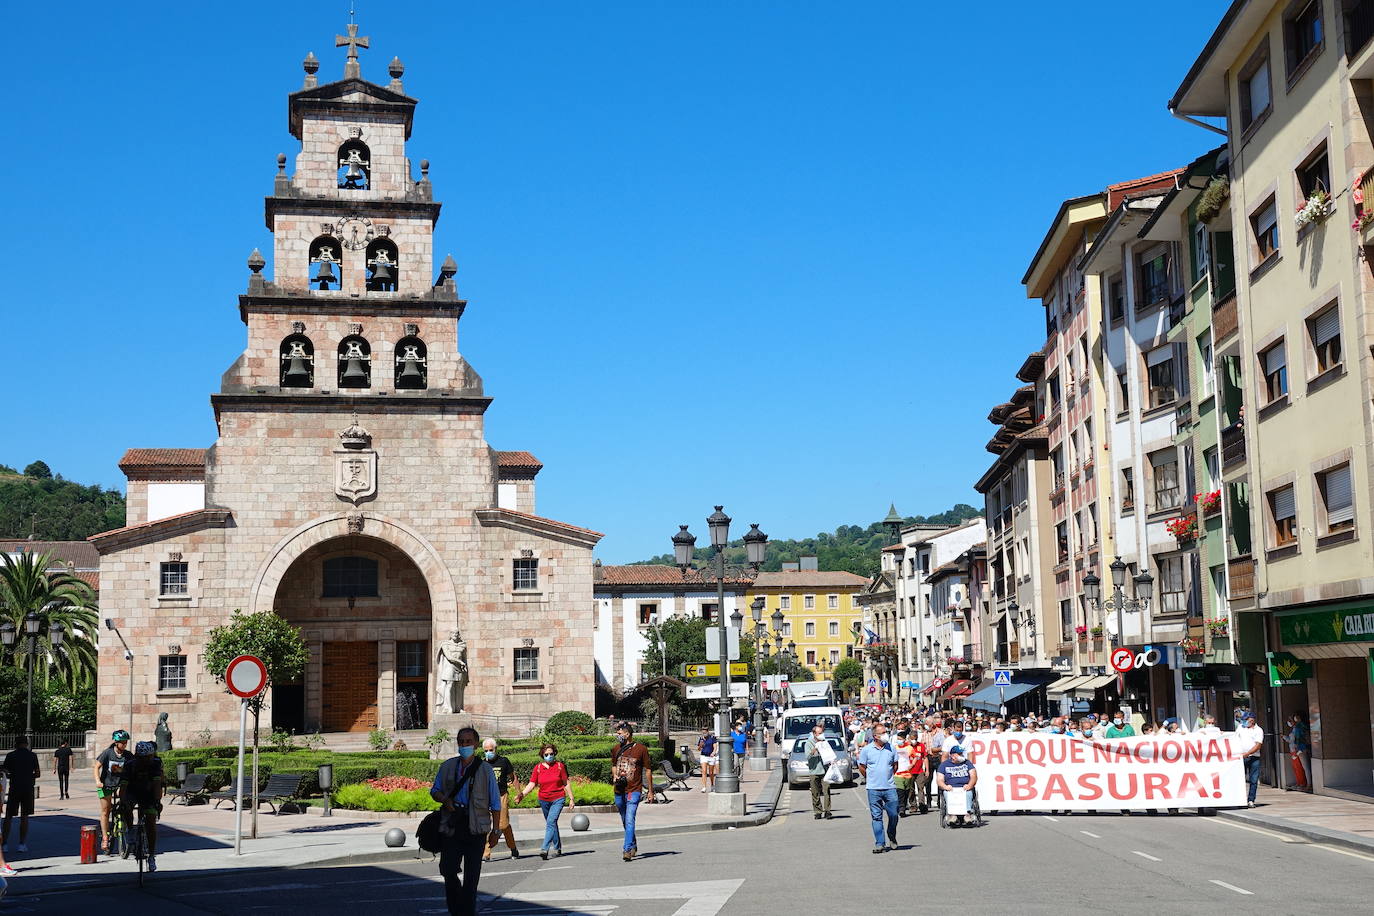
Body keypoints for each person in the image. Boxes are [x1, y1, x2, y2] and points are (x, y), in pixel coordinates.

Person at [430, 726, 502, 916]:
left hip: (476, 828)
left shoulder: (485, 770)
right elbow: (434, 790)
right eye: (461, 742)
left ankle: (466, 911)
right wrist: (444, 799)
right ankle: (456, 908)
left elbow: (495, 803)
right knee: (448, 870)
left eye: (468, 742)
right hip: (452, 825)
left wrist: (496, 832)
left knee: (471, 877)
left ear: (476, 744)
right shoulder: (447, 766)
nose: (464, 745)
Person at [516, 742, 573, 860]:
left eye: (552, 754)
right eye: (547, 754)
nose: (549, 756)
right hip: (543, 800)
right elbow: (532, 783)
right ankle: (557, 848)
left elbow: (565, 782)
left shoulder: (559, 766)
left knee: (551, 822)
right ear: (542, 755)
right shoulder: (538, 768)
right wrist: (522, 794)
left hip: (558, 798)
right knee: (552, 823)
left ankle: (544, 848)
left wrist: (571, 798)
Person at [610, 722, 654, 862]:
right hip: (619, 790)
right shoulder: (616, 749)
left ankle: (627, 849)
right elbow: (613, 765)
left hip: (634, 790)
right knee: (624, 819)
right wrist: (615, 775)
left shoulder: (641, 749)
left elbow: (648, 770)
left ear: (627, 734)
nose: (618, 735)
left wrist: (650, 791)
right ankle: (633, 843)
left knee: (630, 819)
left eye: (619, 733)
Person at [118, 741, 164, 871]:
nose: (146, 761)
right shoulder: (129, 765)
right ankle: (131, 830)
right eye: (143, 758)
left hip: (148, 792)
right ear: (137, 757)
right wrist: (123, 802)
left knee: (151, 820)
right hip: (132, 791)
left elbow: (157, 786)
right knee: (126, 806)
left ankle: (151, 855)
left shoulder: (155, 764)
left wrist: (157, 802)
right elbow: (123, 787)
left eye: (149, 757)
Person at [856, 723, 898, 854]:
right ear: (875, 736)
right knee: (876, 817)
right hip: (873, 789)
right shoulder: (867, 750)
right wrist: (871, 777)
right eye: (883, 733)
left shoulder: (891, 748)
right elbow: (862, 767)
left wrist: (888, 776)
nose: (886, 735)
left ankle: (891, 834)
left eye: (886, 732)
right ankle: (880, 843)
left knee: (894, 814)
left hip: (889, 787)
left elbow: (895, 765)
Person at [94, 730, 132, 854]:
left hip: (120, 784)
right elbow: (96, 767)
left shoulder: (128, 755)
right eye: (122, 742)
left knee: (125, 802)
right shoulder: (107, 753)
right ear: (116, 743)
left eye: (126, 742)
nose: (124, 744)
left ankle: (126, 825)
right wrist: (98, 781)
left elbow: (134, 767)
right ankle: (105, 837)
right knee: (106, 810)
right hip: (106, 784)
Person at [481, 738, 520, 862]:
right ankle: (486, 852)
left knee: (503, 825)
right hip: (487, 797)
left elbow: (513, 777)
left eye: (490, 750)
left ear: (495, 749)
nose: (488, 752)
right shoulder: (482, 764)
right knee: (486, 825)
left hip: (501, 795)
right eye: (486, 751)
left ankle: (512, 847)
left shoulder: (503, 761)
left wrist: (518, 793)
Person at [1, 738, 40, 854]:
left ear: (16, 744)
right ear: (26, 744)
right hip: (28, 788)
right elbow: (38, 773)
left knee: (8, 816)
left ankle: (5, 844)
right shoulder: (32, 756)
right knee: (25, 816)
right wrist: (29, 776)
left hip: (15, 788)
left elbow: (5, 771)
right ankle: (22, 844)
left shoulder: (11, 756)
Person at [935, 745, 978, 827]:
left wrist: (969, 785)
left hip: (965, 787)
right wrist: (945, 787)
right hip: (950, 788)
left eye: (962, 753)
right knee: (947, 793)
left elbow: (973, 776)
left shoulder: (967, 763)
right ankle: (952, 815)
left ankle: (967, 814)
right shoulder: (944, 765)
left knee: (968, 792)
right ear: (952, 755)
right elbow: (939, 780)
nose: (962, 755)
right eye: (959, 754)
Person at [802, 724, 832, 819]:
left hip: (824, 770)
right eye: (819, 733)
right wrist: (814, 749)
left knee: (826, 790)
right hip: (814, 771)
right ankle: (818, 811)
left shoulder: (824, 742)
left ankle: (827, 811)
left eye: (821, 733)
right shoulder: (808, 743)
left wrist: (832, 760)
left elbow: (829, 754)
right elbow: (807, 756)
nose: (821, 735)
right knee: (815, 793)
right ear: (814, 734)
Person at [1236, 712, 1264, 807]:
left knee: (1253, 780)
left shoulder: (1258, 730)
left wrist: (1247, 753)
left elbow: (1258, 745)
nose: (1244, 722)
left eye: (1246, 720)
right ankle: (1240, 800)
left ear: (1252, 720)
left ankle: (1251, 800)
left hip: (1254, 758)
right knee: (1240, 779)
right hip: (1241, 757)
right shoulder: (1240, 727)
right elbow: (1234, 738)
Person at [1286, 712, 1311, 792]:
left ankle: (1309, 784)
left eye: (1295, 718)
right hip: (1302, 748)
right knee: (1305, 767)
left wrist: (1297, 750)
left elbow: (1298, 739)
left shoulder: (1298, 727)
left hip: (1301, 749)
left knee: (1305, 767)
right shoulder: (1302, 726)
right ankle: (1308, 784)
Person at [696, 727, 719, 793]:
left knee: (711, 773)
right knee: (704, 771)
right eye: (703, 732)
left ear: (708, 731)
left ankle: (712, 785)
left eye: (705, 731)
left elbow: (715, 746)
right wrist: (700, 746)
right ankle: (704, 787)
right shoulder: (701, 739)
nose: (704, 733)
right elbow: (699, 749)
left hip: (711, 756)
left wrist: (714, 752)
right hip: (703, 756)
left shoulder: (712, 738)